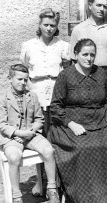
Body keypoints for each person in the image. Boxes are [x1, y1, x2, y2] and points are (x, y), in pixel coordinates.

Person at [48, 39, 107, 203]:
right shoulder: (65, 75)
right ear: (75, 55)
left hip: (100, 119)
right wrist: (70, 123)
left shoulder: (101, 73)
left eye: (92, 54)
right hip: (72, 122)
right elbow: (55, 106)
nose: (89, 58)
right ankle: (86, 197)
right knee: (84, 147)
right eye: (85, 54)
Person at [0, 64, 60, 203]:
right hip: (12, 138)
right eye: (19, 79)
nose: (23, 83)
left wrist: (30, 132)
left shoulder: (32, 96)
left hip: (30, 134)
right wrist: (19, 133)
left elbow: (39, 119)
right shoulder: (2, 98)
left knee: (49, 151)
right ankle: (17, 196)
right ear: (10, 78)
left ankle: (51, 188)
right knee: (14, 157)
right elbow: (2, 125)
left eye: (25, 80)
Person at [20, 8, 70, 137]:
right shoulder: (29, 46)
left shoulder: (63, 46)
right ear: (39, 25)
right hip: (35, 89)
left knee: (56, 124)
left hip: (56, 89)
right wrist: (31, 89)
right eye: (45, 25)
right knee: (38, 124)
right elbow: (24, 69)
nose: (49, 28)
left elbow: (67, 69)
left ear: (57, 26)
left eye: (52, 25)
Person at [69, 0, 107, 81]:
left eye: (105, 6)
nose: (102, 9)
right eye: (99, 5)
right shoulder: (78, 29)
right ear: (90, 5)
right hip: (85, 73)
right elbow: (73, 58)